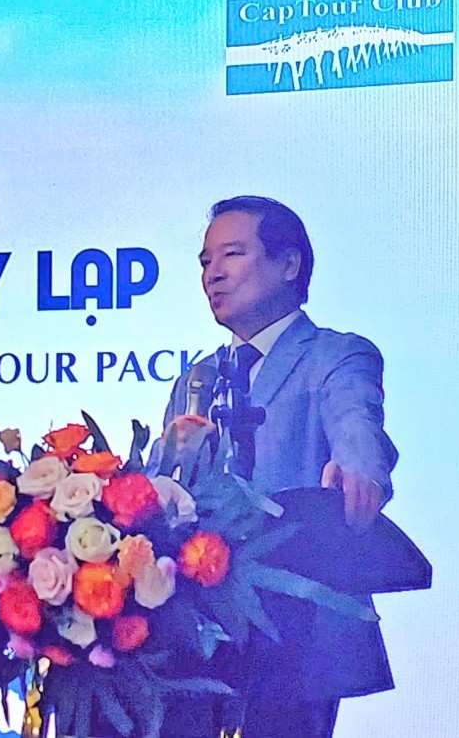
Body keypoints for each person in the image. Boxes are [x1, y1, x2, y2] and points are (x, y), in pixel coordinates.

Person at [154, 196, 398, 737]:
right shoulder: (196, 380)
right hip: (196, 637)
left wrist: (358, 474)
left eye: (232, 254)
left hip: (297, 635)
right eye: (205, 261)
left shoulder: (335, 356)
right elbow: (159, 495)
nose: (213, 273)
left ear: (289, 264)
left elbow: (357, 426)